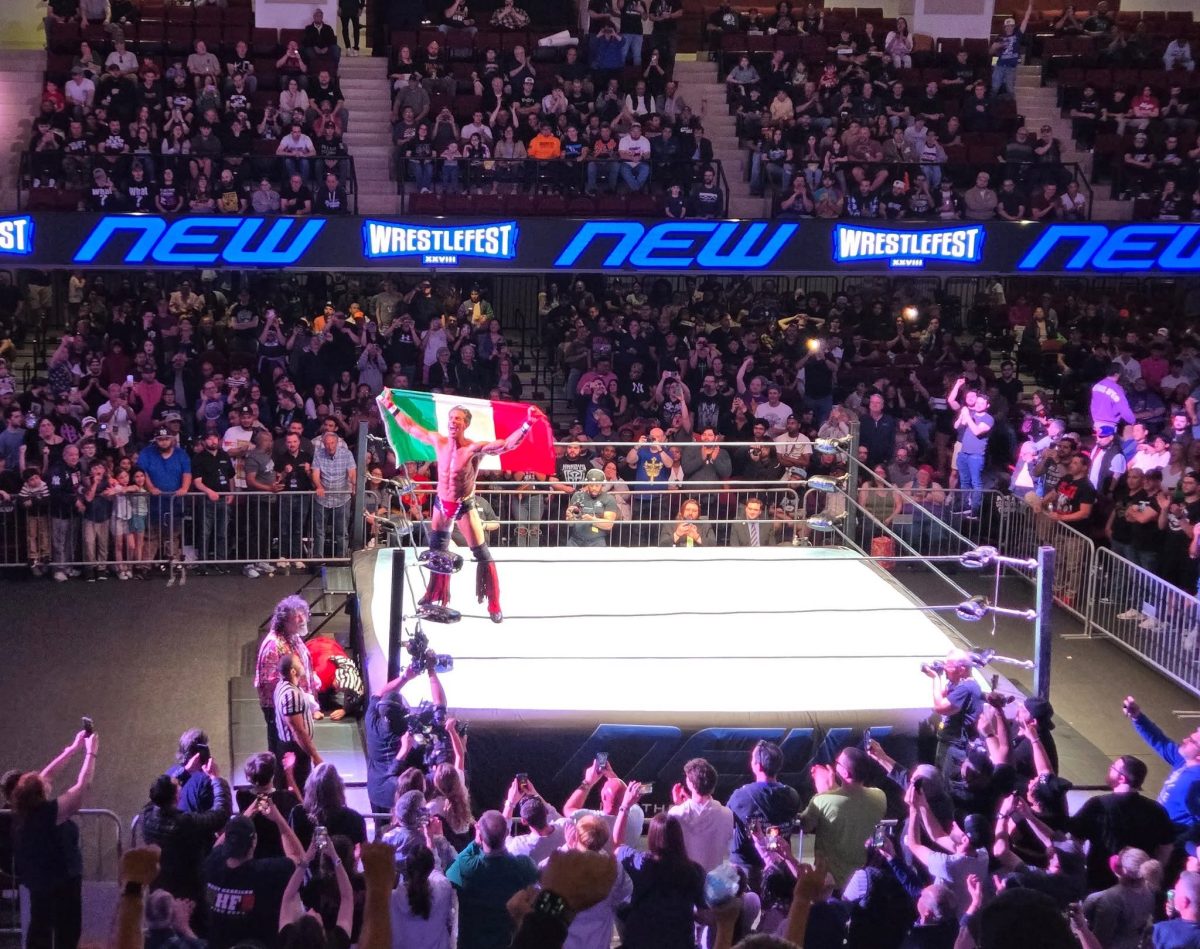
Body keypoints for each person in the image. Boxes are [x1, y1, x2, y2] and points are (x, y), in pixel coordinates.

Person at [377, 392, 544, 622]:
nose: (452, 422)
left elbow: (506, 445)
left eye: (458, 419)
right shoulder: (439, 441)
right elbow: (410, 427)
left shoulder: (474, 449)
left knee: (482, 553)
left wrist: (527, 424)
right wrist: (390, 405)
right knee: (437, 551)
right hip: (441, 504)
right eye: (451, 418)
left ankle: (494, 602)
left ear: (465, 424)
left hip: (464, 505)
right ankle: (435, 594)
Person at [10, 727, 99, 949]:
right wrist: (91, 752)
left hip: (40, 881)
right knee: (66, 934)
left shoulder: (24, 809)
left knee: (39, 929)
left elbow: (45, 776)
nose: (47, 780)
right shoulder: (49, 814)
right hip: (62, 882)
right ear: (41, 793)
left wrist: (73, 748)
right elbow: (82, 786)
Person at [1069, 754, 1176, 892]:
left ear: (1122, 778)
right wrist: (1151, 873)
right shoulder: (1156, 810)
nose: (1109, 768)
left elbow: (1075, 839)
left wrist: (1077, 868)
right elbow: (1166, 847)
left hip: (1099, 882)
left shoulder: (1097, 805)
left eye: (1113, 768)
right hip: (1138, 886)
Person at [203, 807, 304, 948]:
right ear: (254, 841)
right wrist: (278, 819)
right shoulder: (266, 873)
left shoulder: (212, 864)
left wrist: (249, 812)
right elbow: (300, 859)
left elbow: (217, 847)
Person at [609, 808, 706, 949]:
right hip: (680, 943)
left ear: (651, 836)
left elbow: (617, 846)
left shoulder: (639, 862)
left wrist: (624, 808)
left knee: (620, 907)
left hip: (640, 942)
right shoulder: (695, 871)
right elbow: (704, 914)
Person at [445, 810, 539, 949]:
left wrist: (474, 844)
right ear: (507, 833)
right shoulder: (524, 866)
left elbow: (449, 874)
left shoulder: (466, 867)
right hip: (507, 943)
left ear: (480, 836)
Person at [139, 763, 232, 903]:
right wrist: (216, 779)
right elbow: (220, 814)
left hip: (159, 885)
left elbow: (160, 792)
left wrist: (186, 769)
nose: (180, 786)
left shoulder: (146, 814)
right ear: (176, 796)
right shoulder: (184, 823)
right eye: (178, 786)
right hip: (186, 889)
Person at [798, 747, 886, 888]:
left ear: (844, 773)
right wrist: (831, 787)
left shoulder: (821, 800)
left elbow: (804, 826)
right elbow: (849, 802)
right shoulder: (880, 796)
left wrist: (823, 789)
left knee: (800, 841)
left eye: (837, 762)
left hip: (828, 883)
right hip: (861, 882)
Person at [255, 596, 319, 769]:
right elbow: (270, 683)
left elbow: (302, 661)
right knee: (286, 753)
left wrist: (311, 677)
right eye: (297, 617)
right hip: (281, 710)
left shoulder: (293, 636)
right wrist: (301, 694)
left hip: (297, 703)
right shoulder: (273, 646)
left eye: (303, 614)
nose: (302, 619)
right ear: (284, 622)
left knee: (300, 750)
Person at [728, 740, 801, 888]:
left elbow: (725, 819)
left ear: (757, 766)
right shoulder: (793, 796)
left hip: (746, 871)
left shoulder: (741, 796)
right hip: (779, 870)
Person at [1122, 695, 1200, 829]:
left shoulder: (1196, 780)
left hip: (1173, 836)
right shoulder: (1183, 760)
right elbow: (1161, 742)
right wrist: (1137, 717)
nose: (1185, 740)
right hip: (1157, 828)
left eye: (1192, 741)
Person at [664, 757, 734, 873]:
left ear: (690, 784)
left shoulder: (675, 813)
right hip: (714, 880)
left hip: (685, 879)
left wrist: (680, 805)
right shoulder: (727, 815)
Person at [391, 844, 455, 949]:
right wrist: (431, 845)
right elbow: (437, 873)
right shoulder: (444, 888)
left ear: (407, 866)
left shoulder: (391, 899)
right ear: (431, 867)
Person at [275, 653, 323, 792]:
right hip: (296, 749)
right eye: (298, 662)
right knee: (300, 787)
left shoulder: (286, 686)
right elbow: (298, 730)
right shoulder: (291, 694)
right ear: (293, 671)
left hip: (295, 747)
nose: (302, 663)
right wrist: (315, 756)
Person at [312, 429, 356, 560]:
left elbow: (352, 472)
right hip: (323, 498)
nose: (330, 446)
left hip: (342, 497)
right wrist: (319, 486)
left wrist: (354, 484)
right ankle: (318, 558)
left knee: (342, 530)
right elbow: (315, 474)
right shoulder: (318, 454)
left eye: (332, 443)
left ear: (337, 443)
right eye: (327, 443)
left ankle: (341, 557)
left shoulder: (347, 454)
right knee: (319, 530)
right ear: (323, 444)